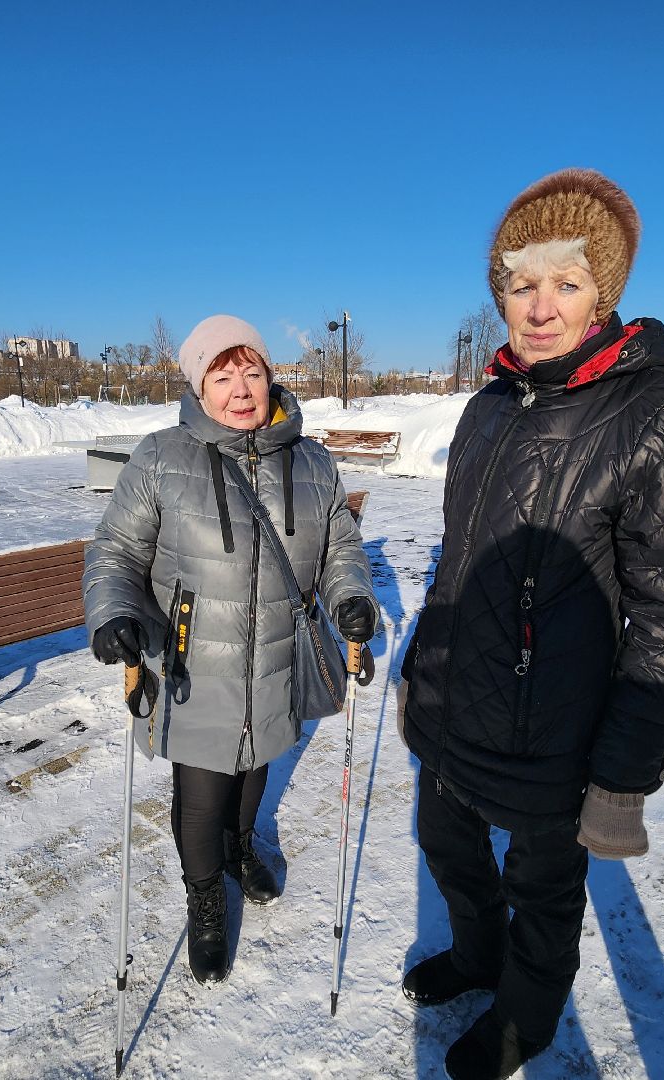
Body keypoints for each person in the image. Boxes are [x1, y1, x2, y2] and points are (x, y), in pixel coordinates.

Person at [398, 168, 664, 1079]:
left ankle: (526, 1019)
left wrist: (623, 778)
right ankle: (472, 956)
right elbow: (458, 559)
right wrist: (425, 672)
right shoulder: (487, 406)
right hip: (454, 706)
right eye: (520, 283)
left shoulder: (655, 410)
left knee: (542, 891)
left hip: (554, 733)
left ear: (602, 295)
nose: (539, 307)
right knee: (448, 847)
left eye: (565, 283)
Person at [84, 315, 378, 985]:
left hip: (274, 654)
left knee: (257, 763)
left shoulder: (311, 460)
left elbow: (340, 548)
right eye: (222, 375)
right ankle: (206, 896)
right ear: (199, 385)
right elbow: (116, 552)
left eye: (252, 371)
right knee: (202, 790)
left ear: (270, 377)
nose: (240, 389)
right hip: (193, 663)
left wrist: (351, 596)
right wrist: (115, 612)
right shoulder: (161, 457)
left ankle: (241, 849)